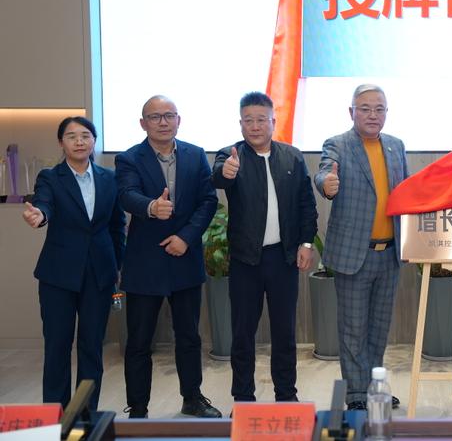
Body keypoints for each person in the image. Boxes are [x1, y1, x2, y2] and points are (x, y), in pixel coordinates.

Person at [115, 95, 221, 419]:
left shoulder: (195, 154)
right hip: (145, 263)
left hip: (184, 257)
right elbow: (126, 195)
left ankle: (193, 398)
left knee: (189, 336)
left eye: (169, 115)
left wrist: (186, 237)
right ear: (143, 123)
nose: (163, 122)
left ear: (178, 120)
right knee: (139, 341)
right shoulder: (129, 158)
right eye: (155, 116)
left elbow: (208, 200)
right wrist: (151, 207)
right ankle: (138, 408)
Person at [212, 92, 317, 403]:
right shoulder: (230, 155)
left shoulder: (292, 157)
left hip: (283, 258)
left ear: (273, 121)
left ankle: (286, 395)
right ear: (241, 123)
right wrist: (226, 172)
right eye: (249, 120)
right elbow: (218, 177)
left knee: (285, 333)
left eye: (261, 120)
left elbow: (306, 204)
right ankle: (243, 398)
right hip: (246, 260)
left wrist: (306, 242)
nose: (255, 126)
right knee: (243, 334)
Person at [314, 84, 408, 410]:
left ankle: (374, 388)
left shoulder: (396, 146)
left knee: (379, 330)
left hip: (389, 254)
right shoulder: (337, 144)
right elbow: (324, 173)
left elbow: (404, 195)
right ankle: (356, 395)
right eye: (365, 108)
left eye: (379, 109)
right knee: (353, 330)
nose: (372, 115)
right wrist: (326, 184)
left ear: (386, 113)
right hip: (354, 254)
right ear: (351, 112)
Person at [22, 117, 126, 410]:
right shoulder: (50, 177)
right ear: (61, 143)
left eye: (85, 135)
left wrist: (116, 265)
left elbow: (117, 225)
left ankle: (84, 416)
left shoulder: (109, 178)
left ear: (94, 141)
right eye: (71, 136)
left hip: (99, 274)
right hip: (58, 275)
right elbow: (44, 203)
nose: (79, 141)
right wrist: (40, 215)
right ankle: (55, 418)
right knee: (57, 347)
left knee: (92, 348)